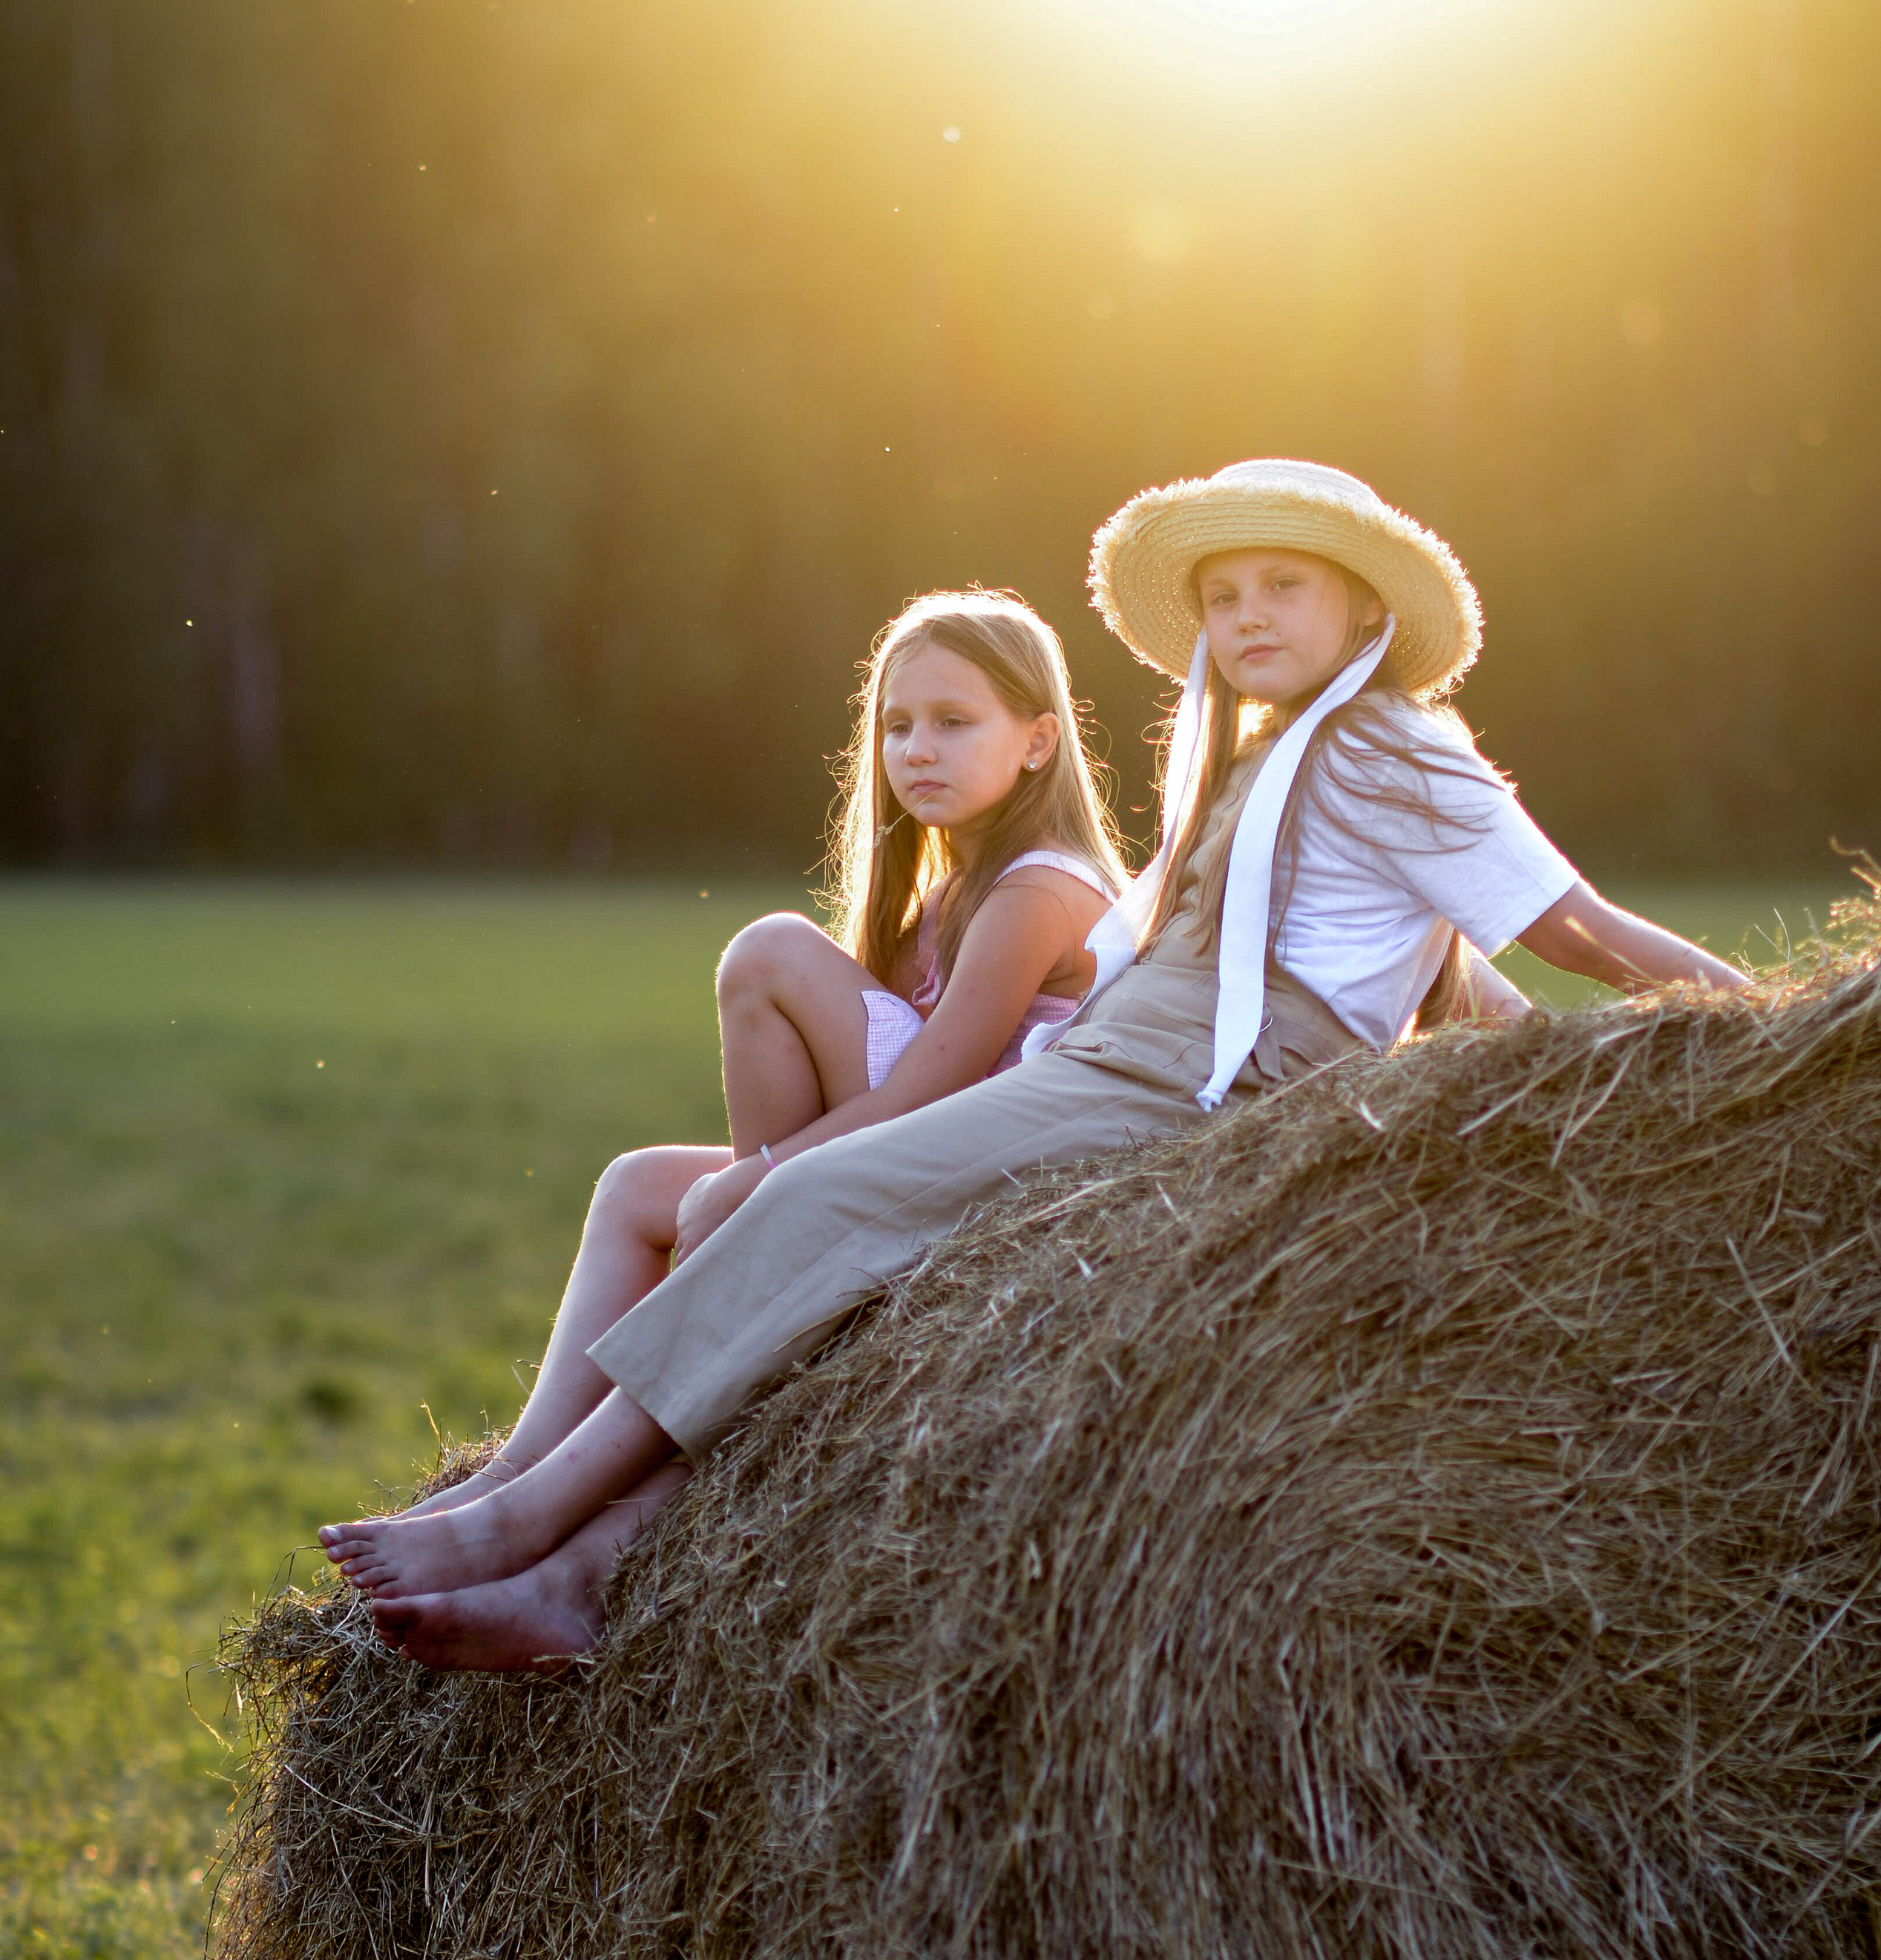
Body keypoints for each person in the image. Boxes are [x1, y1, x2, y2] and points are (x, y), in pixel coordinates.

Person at [322, 458, 1750, 1668]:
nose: (1249, 616)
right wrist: (1521, 1061)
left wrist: (1789, 1041)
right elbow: (1437, 966)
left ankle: (531, 1523)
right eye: (1226, 595)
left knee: (814, 1198)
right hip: (1130, 1055)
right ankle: (588, 1563)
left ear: (1367, 608)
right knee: (856, 1254)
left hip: (1185, 1082)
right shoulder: (1270, 761)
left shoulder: (1398, 754)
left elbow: (1572, 922)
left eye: (1285, 587)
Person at [387, 587, 1127, 1530]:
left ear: (1038, 741)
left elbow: (926, 1096)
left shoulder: (1038, 893)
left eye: (954, 722)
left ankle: (744, 1312)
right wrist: (759, 1177)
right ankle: (519, 1469)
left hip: (980, 1183)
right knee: (634, 1186)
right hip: (924, 1163)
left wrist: (761, 1176)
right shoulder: (946, 897)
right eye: (897, 725)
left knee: (769, 950)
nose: (917, 749)